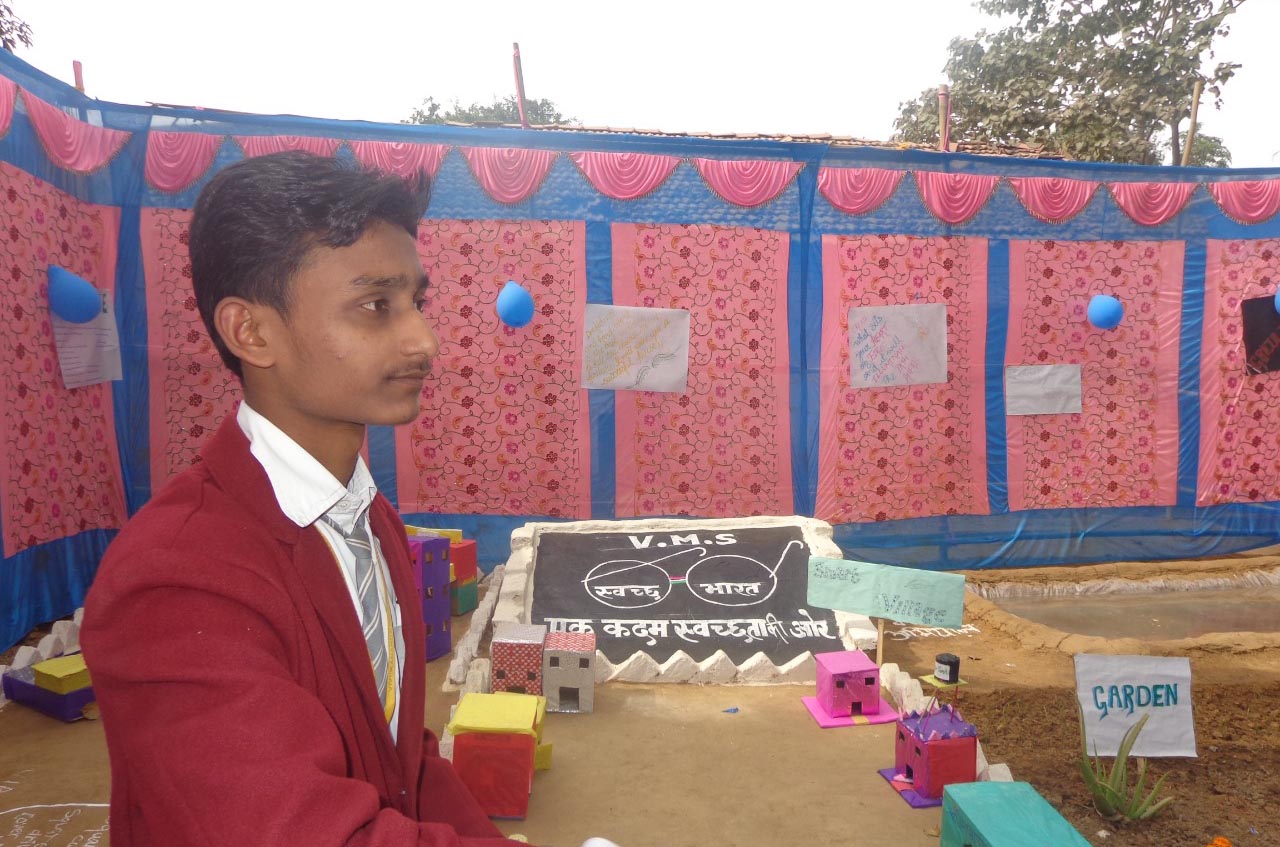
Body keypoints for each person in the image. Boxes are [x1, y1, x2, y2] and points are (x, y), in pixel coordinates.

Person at [82, 151, 523, 846]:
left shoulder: (367, 520)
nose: (424, 339)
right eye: (375, 306)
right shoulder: (175, 578)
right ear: (251, 332)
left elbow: (402, 759)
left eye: (417, 302)